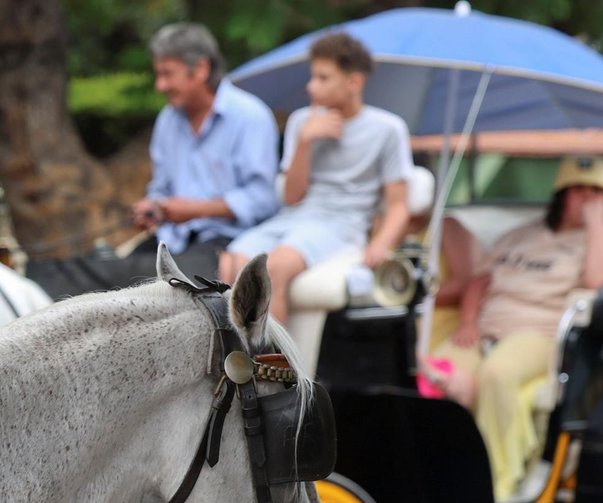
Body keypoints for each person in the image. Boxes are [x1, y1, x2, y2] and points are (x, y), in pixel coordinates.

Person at [431, 156, 603, 503]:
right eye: (578, 189)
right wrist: (467, 323)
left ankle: (498, 483)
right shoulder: (521, 235)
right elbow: (479, 281)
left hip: (540, 334)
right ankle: (440, 471)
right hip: (485, 328)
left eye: (595, 192)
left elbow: (599, 284)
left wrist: (595, 224)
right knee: (434, 375)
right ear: (561, 194)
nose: (585, 197)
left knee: (498, 375)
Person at [219, 32, 412, 323]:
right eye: (312, 77)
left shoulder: (387, 129)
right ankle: (236, 360)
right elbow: (291, 197)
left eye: (323, 78)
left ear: (354, 82)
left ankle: (275, 367)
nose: (311, 87)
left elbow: (398, 205)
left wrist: (380, 245)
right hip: (292, 220)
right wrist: (305, 141)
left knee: (272, 271)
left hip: (342, 225)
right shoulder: (301, 122)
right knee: (229, 264)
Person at [130, 22, 279, 258]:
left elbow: (263, 200)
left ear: (200, 69)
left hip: (229, 242)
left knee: (166, 288)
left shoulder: (250, 116)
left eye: (167, 74)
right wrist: (154, 208)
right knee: (102, 279)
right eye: (158, 75)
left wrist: (196, 210)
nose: (160, 86)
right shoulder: (167, 120)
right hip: (173, 239)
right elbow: (160, 188)